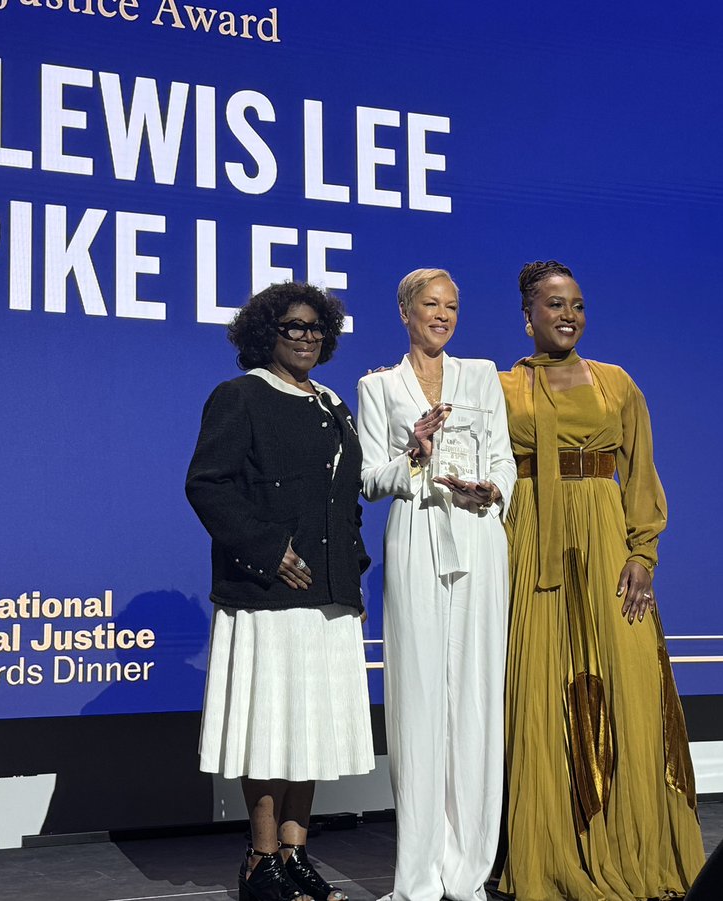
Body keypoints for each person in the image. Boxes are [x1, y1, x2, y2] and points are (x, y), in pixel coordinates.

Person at [498, 261, 705, 901]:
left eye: (578, 305)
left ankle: (639, 848)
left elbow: (641, 471)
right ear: (527, 314)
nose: (569, 315)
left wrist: (643, 552)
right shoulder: (501, 388)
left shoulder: (616, 384)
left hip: (607, 538)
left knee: (630, 681)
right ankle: (552, 848)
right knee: (540, 689)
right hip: (533, 542)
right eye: (555, 304)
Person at [186, 282, 373, 901]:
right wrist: (269, 550)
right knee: (270, 730)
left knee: (309, 731)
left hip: (329, 593)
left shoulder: (331, 403)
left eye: (317, 326)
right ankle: (260, 860)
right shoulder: (238, 397)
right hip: (267, 593)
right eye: (293, 326)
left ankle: (294, 855)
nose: (307, 336)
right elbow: (208, 485)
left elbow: (345, 495)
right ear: (266, 333)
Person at [356, 268, 516, 901]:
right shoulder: (379, 385)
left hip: (478, 534)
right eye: (430, 305)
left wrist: (492, 489)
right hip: (417, 533)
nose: (443, 315)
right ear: (405, 313)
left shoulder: (481, 375)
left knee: (476, 696)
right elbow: (370, 479)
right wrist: (414, 453)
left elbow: (502, 456)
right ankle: (418, 879)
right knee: (420, 699)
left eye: (452, 305)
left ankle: (469, 871)